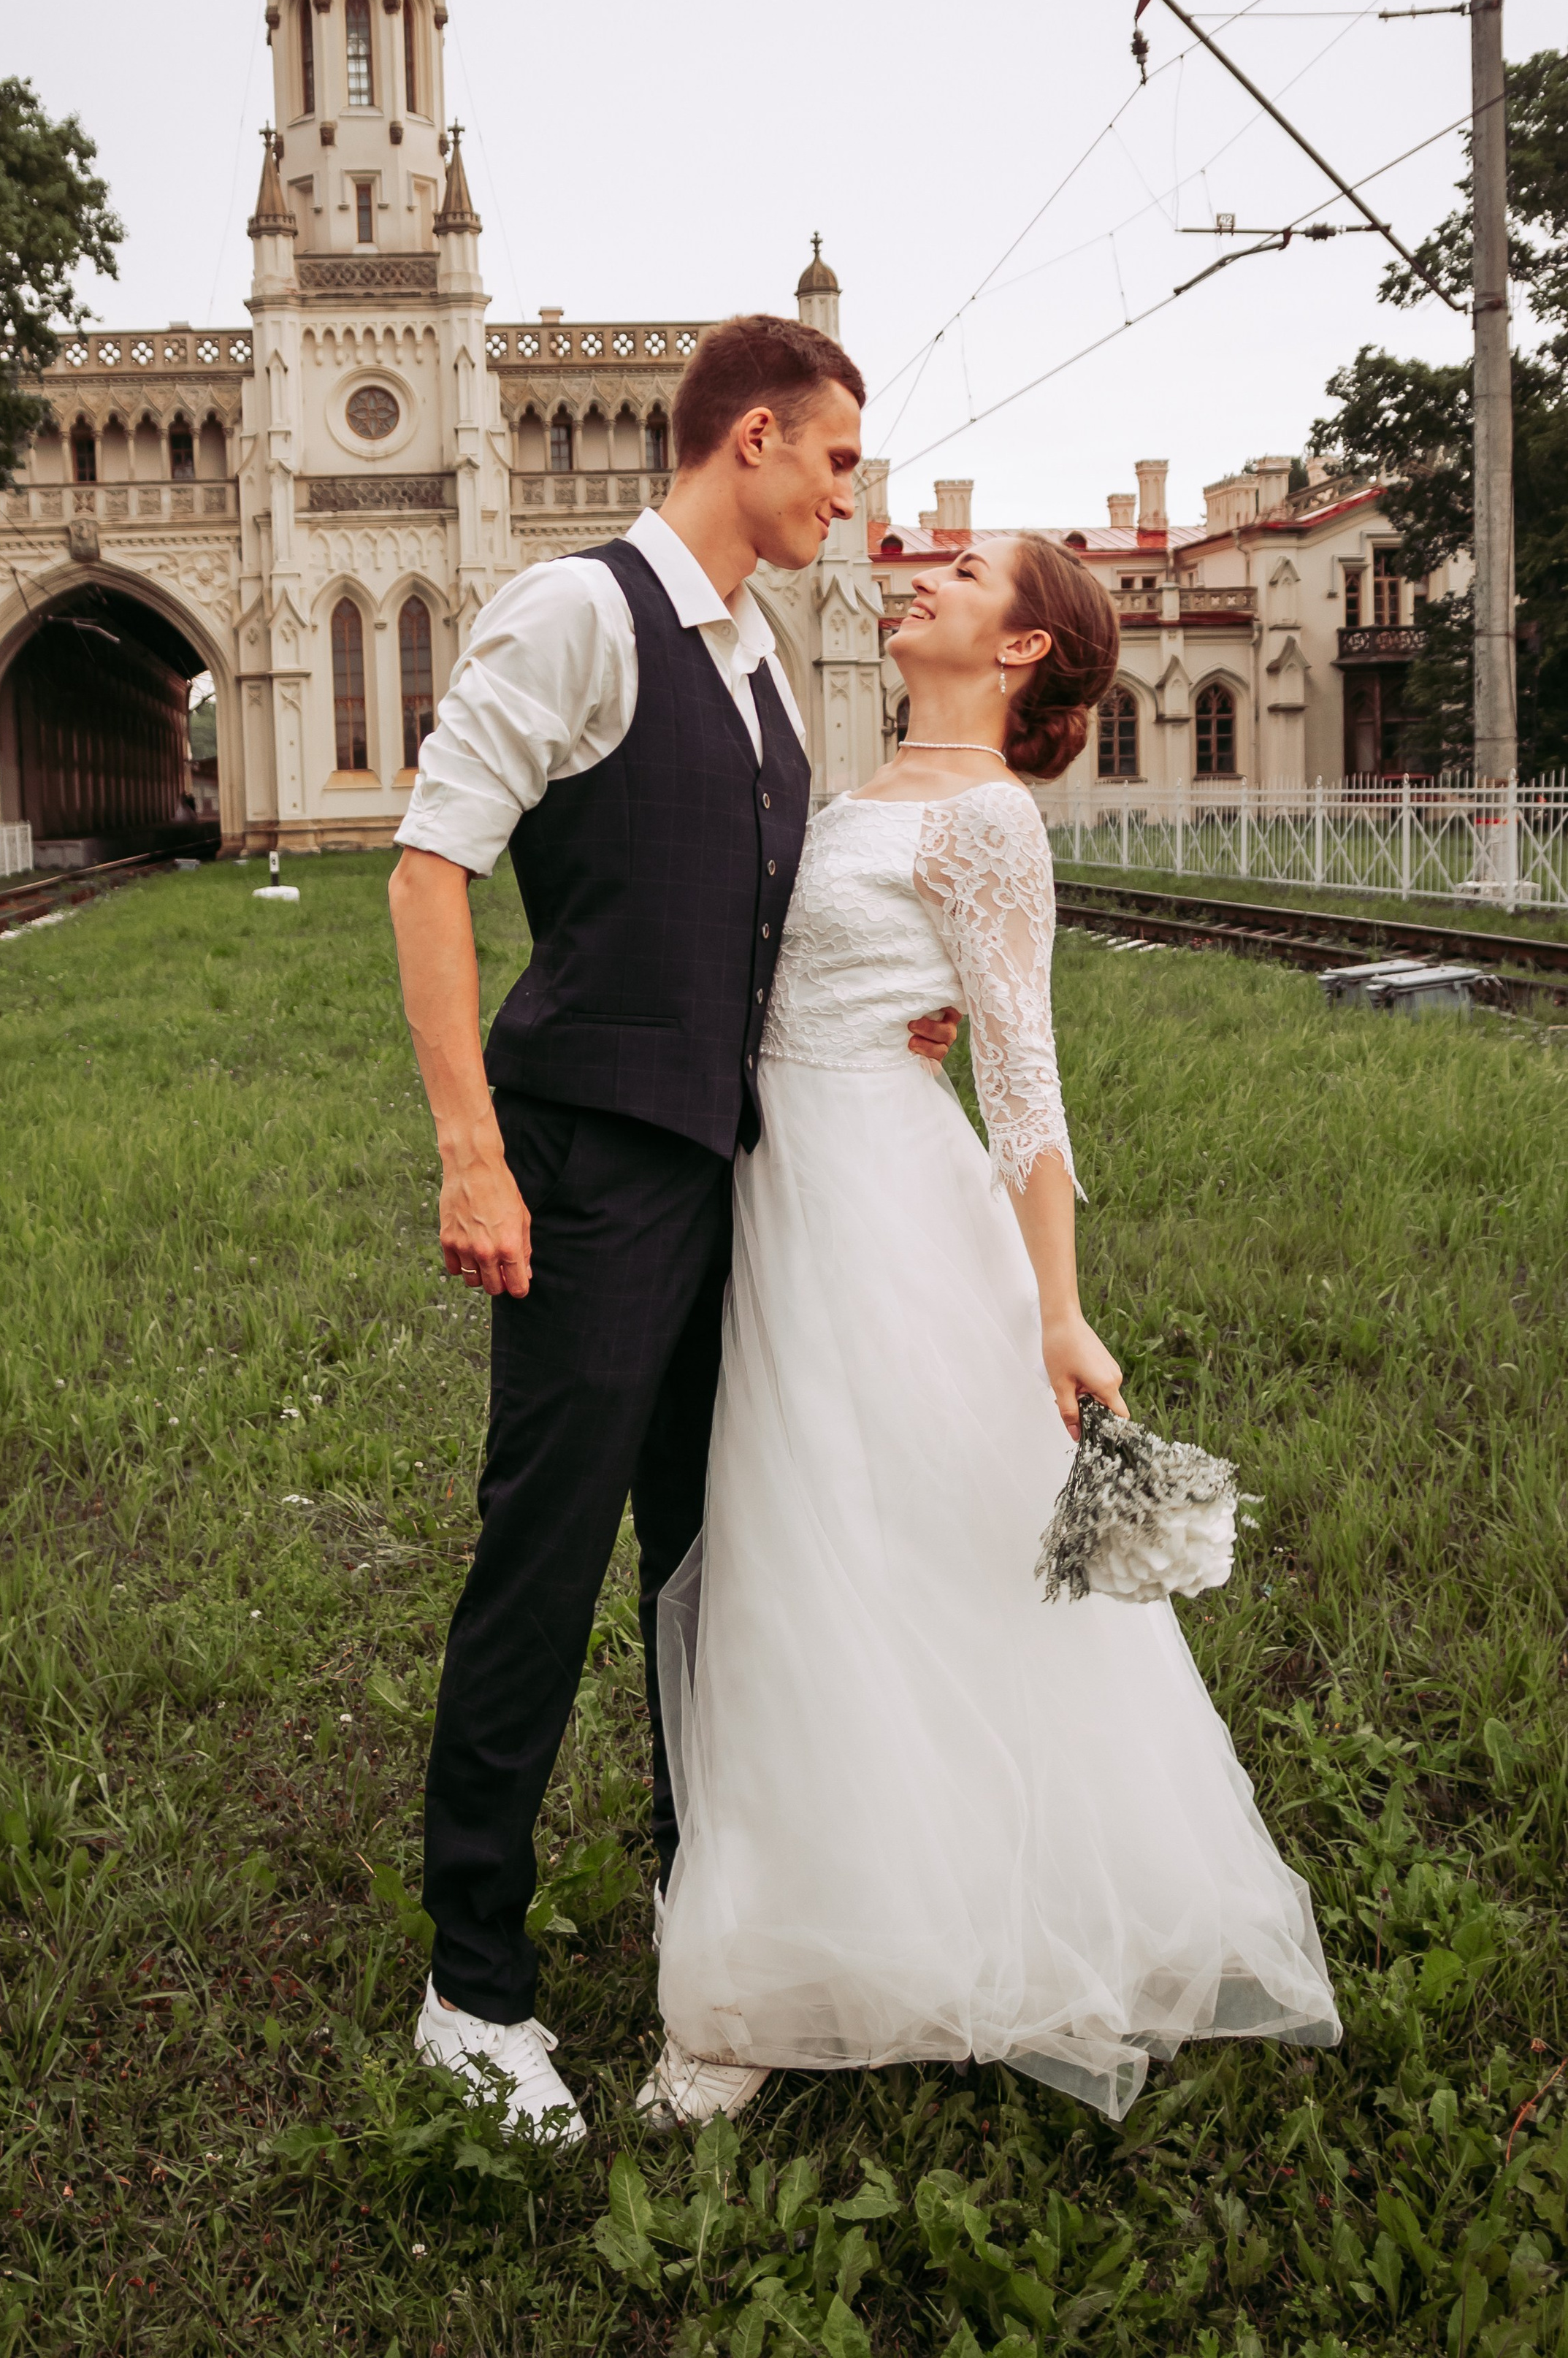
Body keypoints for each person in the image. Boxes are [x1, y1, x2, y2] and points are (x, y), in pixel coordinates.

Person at [647, 531, 1341, 2126]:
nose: (922, 579)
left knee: (866, 1545)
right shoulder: (854, 796)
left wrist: (1060, 1314)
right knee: (793, 1542)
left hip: (881, 1202)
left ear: (1019, 648)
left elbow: (1019, 1075)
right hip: (782, 1189)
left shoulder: (984, 822)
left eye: (961, 574)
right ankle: (796, 1922)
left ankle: (802, 1961)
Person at [386, 315, 960, 2141]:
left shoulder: (762, 662)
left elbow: (756, 914)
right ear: (757, 440)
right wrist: (471, 1154)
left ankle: (692, 1897)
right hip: (589, 1173)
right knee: (542, 1561)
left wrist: (890, 1010)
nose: (845, 495)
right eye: (839, 463)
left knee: (712, 1565)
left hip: (732, 1174)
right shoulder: (577, 613)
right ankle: (469, 1987)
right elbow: (426, 870)